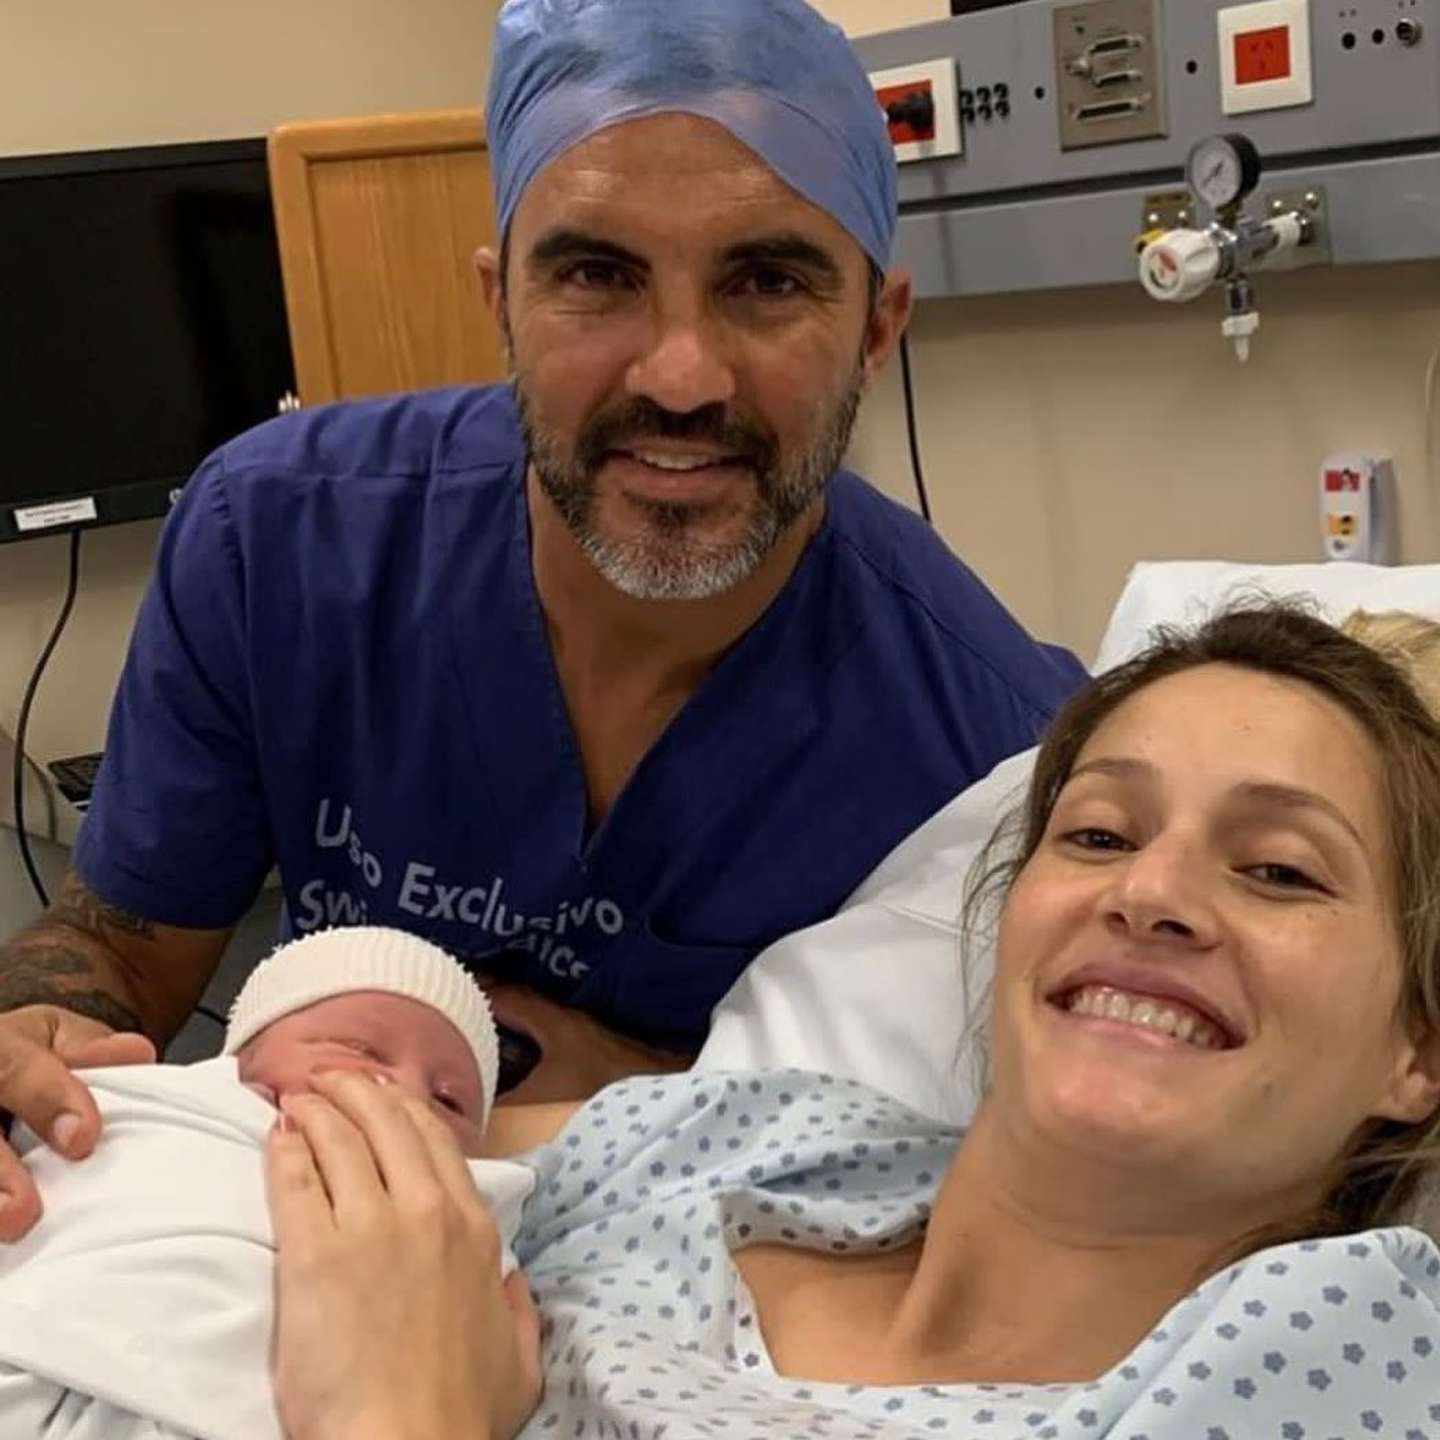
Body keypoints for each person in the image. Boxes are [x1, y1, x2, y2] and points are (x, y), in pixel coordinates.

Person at [0, 0, 1086, 1238]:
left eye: (768, 281)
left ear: (877, 331)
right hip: (291, 1237)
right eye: (595, 276)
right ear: (502, 302)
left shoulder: (987, 753)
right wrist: (36, 1032)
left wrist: (654, 1092)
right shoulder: (279, 544)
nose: (680, 376)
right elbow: (120, 950)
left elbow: (999, 1169)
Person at [263, 604, 1440, 1439]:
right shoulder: (768, 1140)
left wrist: (397, 1417)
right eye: (1096, 834)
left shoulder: (1339, 1350)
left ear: (1419, 1051)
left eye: (1280, 871)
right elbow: (309, 1122)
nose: (1150, 891)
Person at [0, 926, 540, 1440]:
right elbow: (50, 1111)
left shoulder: (468, 1207)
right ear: (242, 1061)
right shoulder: (179, 1100)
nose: (405, 1092)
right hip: (51, 1347)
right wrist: (54, 1088)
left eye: (449, 1102)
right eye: (359, 1049)